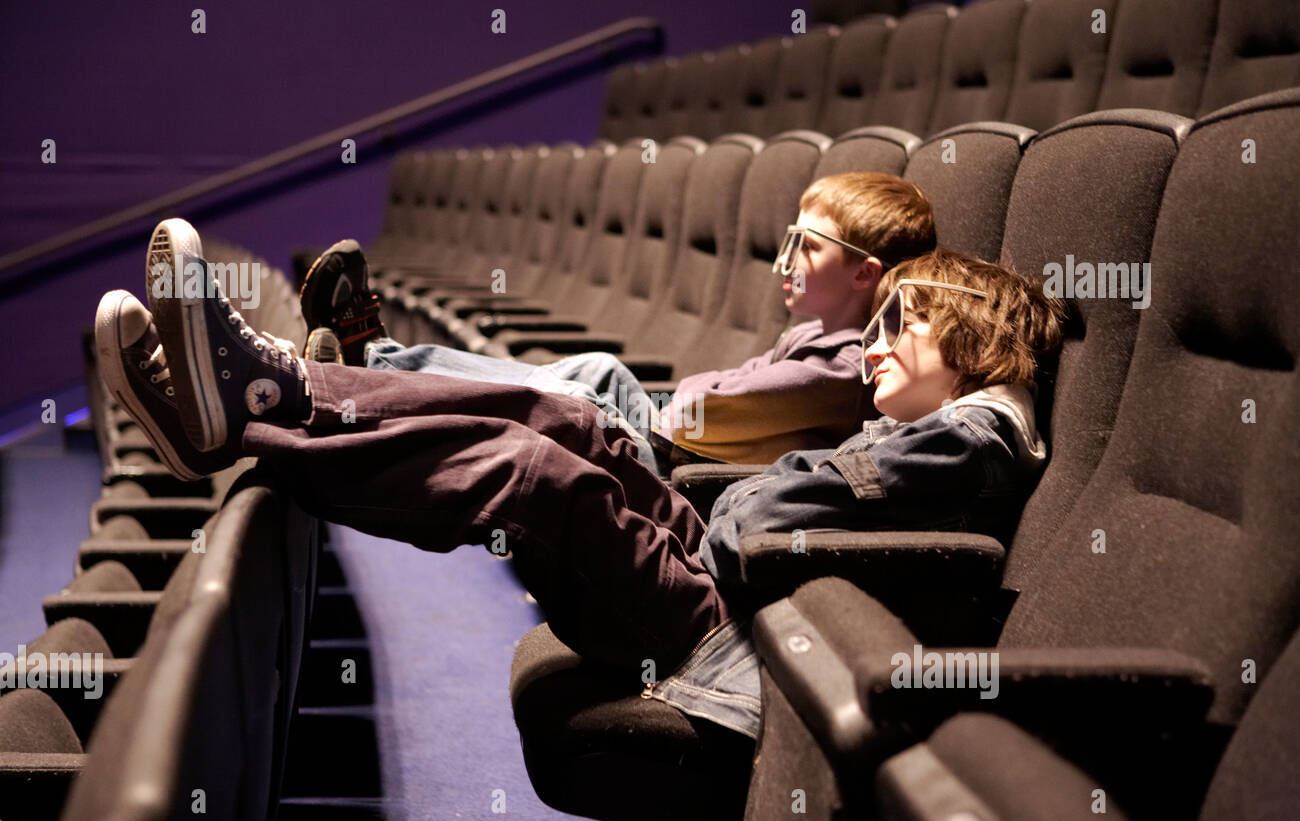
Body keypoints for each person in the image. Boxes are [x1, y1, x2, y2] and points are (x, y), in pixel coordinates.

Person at [98, 219, 1063, 739]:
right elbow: (753, 508)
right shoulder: (958, 430)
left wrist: (744, 492)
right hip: (724, 593)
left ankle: (254, 414)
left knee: (535, 476)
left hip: (729, 646)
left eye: (902, 324)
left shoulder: (970, 439)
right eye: (878, 322)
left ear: (976, 338)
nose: (873, 348)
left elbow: (747, 523)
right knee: (568, 415)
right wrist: (738, 494)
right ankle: (272, 394)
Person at [295, 171, 938, 474]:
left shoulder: (845, 365)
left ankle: (370, 368)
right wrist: (688, 398)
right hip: (674, 440)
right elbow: (718, 396)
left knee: (569, 401)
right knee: (596, 370)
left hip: (685, 482)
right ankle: (378, 359)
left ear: (864, 274)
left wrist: (687, 398)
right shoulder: (810, 338)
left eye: (811, 248)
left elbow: (707, 411)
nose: (788, 262)